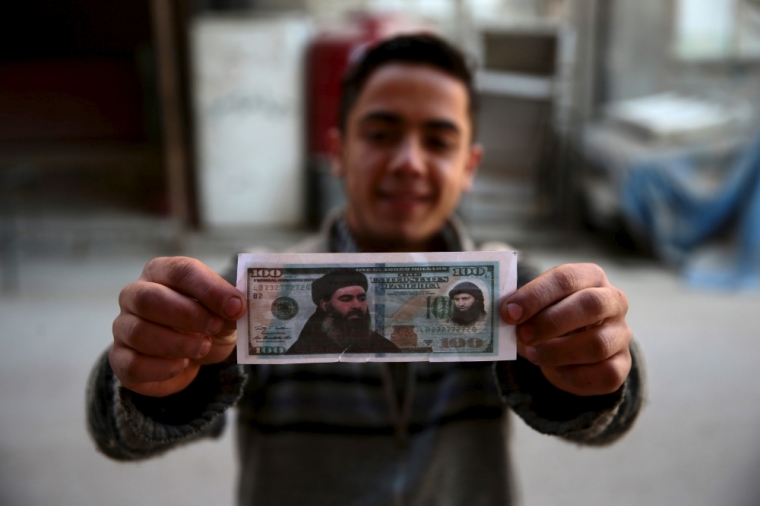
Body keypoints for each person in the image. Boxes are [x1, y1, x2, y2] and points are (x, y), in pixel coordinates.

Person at [87, 34, 644, 505]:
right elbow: (116, 434)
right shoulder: (246, 292)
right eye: (381, 134)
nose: (408, 162)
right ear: (339, 152)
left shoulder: (517, 291)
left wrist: (599, 370)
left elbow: (611, 419)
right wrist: (149, 381)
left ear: (470, 166)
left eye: (438, 140)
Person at [284, 268, 401, 354]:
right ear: (325, 305)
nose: (357, 305)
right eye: (346, 299)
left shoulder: (384, 347)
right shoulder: (303, 349)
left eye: (362, 299)